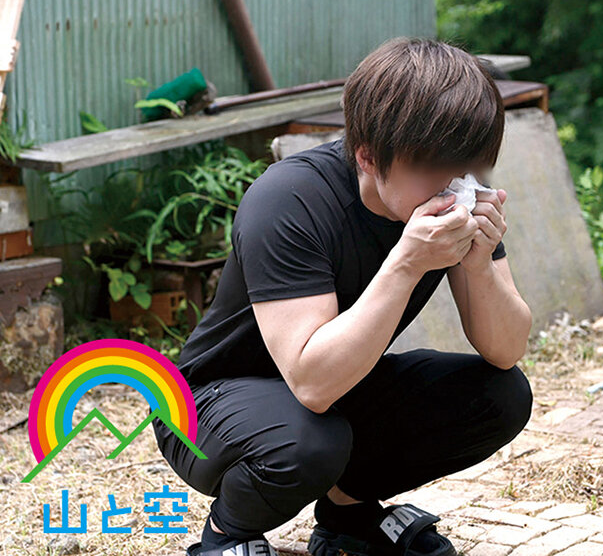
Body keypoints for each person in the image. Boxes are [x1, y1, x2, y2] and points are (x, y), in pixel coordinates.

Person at [151, 36, 534, 556]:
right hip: (208, 403)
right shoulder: (289, 200)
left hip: (336, 385)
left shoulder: (447, 196)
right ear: (368, 156)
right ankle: (226, 534)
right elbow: (312, 383)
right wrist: (406, 263)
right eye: (433, 167)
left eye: (466, 167)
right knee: (311, 441)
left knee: (501, 396)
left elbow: (506, 349)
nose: (453, 185)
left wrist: (479, 263)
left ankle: (348, 517)